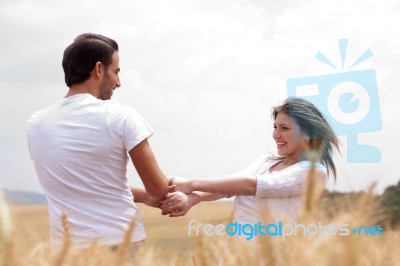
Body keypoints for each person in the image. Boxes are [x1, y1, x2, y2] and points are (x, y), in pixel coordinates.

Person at [26, 33, 169, 253]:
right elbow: (158, 189)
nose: (119, 82)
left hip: (66, 252)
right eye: (116, 72)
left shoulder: (35, 124)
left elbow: (85, 183)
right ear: (99, 69)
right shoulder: (121, 116)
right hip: (121, 244)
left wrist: (143, 197)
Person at [161, 98, 339, 225]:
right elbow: (227, 187)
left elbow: (250, 186)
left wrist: (190, 184)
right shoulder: (266, 162)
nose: (275, 134)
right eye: (275, 127)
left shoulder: (314, 172)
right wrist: (191, 200)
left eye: (284, 128)